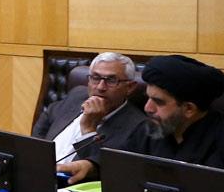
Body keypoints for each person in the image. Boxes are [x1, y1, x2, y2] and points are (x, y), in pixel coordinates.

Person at [32, 53, 148, 183]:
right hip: (36, 174)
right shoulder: (77, 95)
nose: (100, 87)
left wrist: (88, 129)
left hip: (68, 186)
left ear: (130, 87)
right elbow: (48, 116)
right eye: (95, 78)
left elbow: (105, 170)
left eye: (111, 80)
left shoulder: (137, 128)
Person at [112, 55, 224, 170]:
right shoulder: (146, 131)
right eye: (148, 98)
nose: (147, 108)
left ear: (189, 109)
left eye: (158, 102)